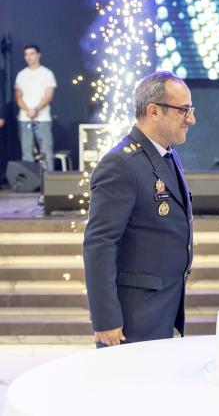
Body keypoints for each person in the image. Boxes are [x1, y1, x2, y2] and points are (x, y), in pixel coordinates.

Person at [83, 71, 195, 347]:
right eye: (183, 110)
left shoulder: (167, 154)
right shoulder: (121, 164)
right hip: (134, 314)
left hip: (163, 304)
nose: (191, 119)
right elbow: (100, 243)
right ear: (154, 111)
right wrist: (106, 318)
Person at [14, 44, 56, 170]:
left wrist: (36, 109)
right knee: (26, 151)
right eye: (26, 54)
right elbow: (18, 97)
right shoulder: (21, 75)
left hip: (42, 118)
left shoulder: (47, 73)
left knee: (46, 150)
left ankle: (48, 178)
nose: (29, 57)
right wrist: (28, 110)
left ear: (38, 55)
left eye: (32, 54)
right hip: (25, 118)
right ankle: (30, 179)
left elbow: (48, 96)